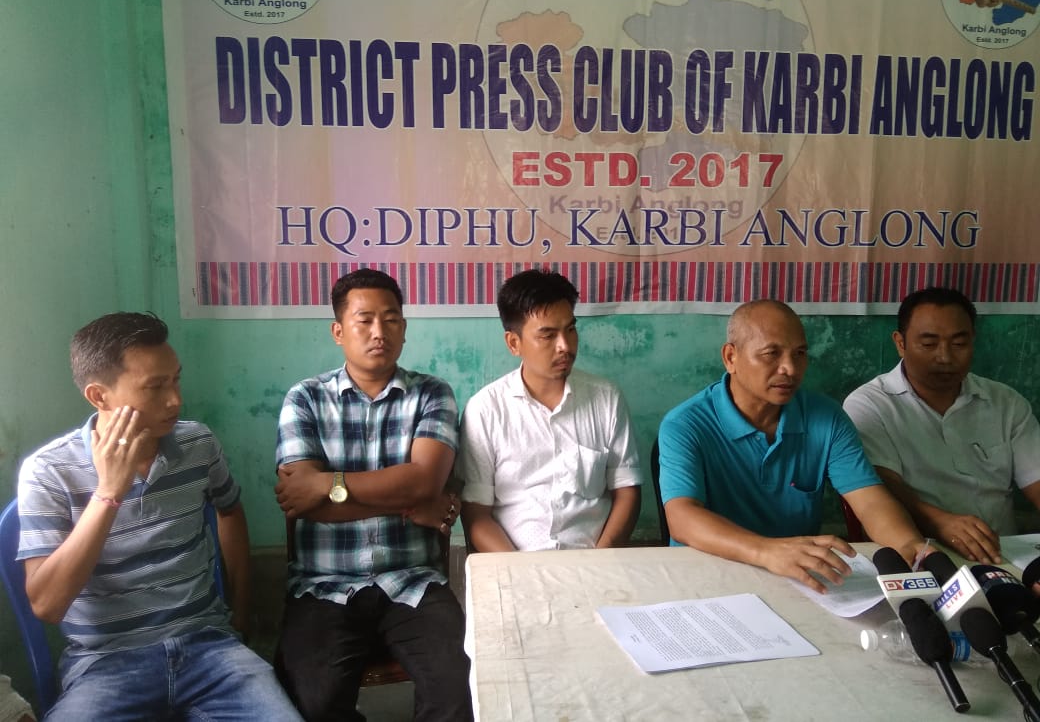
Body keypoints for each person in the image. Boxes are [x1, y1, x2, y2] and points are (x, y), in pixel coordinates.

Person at [16, 312, 301, 721]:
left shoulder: (198, 443)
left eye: (176, 380)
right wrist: (108, 494)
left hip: (209, 648)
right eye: (155, 387)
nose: (175, 400)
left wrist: (240, 611)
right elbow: (47, 605)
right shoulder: (48, 471)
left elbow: (229, 510)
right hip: (106, 664)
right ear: (99, 396)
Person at [273, 268, 471, 722]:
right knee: (311, 702)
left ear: (404, 327)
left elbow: (424, 482)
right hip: (323, 584)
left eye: (391, 319)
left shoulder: (432, 394)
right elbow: (304, 503)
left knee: (459, 685)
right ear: (338, 331)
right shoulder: (304, 398)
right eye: (364, 320)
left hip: (413, 581)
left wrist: (329, 483)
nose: (379, 332)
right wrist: (407, 498)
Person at [658, 299, 929, 594]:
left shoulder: (826, 418)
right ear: (731, 357)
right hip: (707, 575)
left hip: (796, 578)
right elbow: (682, 518)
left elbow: (869, 501)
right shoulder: (685, 424)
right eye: (771, 354)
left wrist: (909, 545)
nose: (790, 368)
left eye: (799, 354)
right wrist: (766, 551)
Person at [843, 287, 1040, 564]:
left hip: (1003, 554)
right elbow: (881, 486)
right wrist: (940, 522)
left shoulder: (1005, 402)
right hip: (920, 554)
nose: (945, 357)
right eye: (929, 344)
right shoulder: (870, 404)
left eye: (958, 344)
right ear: (900, 343)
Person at [458, 269, 642, 551]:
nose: (565, 346)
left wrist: (601, 559)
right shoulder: (485, 410)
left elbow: (627, 490)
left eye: (570, 329)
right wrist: (519, 569)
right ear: (514, 343)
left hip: (592, 559)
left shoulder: (606, 399)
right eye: (548, 335)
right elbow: (477, 513)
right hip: (515, 561)